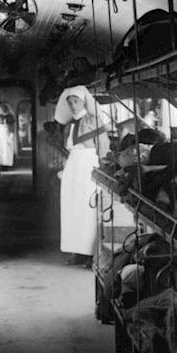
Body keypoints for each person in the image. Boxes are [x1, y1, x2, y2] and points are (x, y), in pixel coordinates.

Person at [55, 85, 111, 268]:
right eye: (69, 102)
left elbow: (103, 146)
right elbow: (69, 150)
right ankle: (77, 251)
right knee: (73, 210)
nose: (72, 105)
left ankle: (90, 253)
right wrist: (65, 168)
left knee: (89, 211)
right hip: (74, 167)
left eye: (75, 101)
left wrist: (103, 169)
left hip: (89, 166)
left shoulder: (94, 120)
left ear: (84, 101)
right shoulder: (70, 125)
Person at [0, 103, 16, 168]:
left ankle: (6, 165)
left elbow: (11, 128)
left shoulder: (10, 117)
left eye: (4, 109)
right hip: (0, 135)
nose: (3, 110)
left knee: (7, 152)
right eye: (2, 109)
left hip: (7, 136)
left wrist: (10, 136)